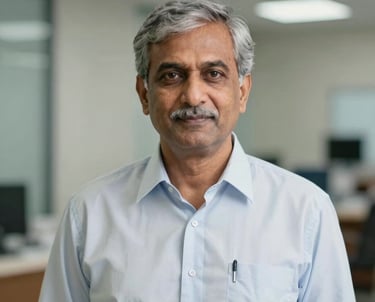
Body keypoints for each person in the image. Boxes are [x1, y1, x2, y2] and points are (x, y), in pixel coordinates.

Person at [39, 0, 356, 301]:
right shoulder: (89, 214)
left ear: (242, 92)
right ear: (144, 95)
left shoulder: (306, 210)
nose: (193, 96)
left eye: (213, 74)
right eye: (171, 75)